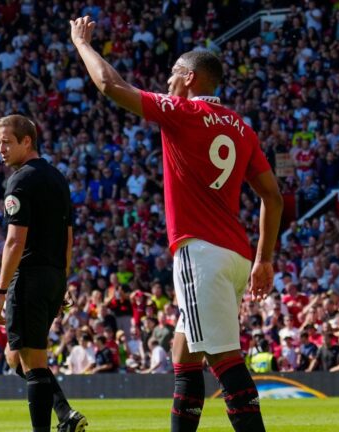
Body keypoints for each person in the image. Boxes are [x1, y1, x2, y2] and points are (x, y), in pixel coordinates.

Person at [71, 16, 283, 432]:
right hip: (236, 256)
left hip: (200, 253)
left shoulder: (182, 111)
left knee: (225, 361)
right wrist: (264, 259)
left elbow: (110, 85)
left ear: (189, 77)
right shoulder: (241, 128)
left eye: (172, 73)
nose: (167, 81)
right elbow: (272, 198)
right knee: (183, 353)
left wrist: (83, 45)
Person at [0, 114, 87, 432]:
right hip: (53, 276)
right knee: (16, 356)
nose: (1, 149)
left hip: (29, 279)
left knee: (32, 364)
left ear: (26, 141)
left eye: (7, 142)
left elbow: (14, 241)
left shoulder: (19, 181)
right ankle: (65, 414)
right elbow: (69, 238)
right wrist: (62, 281)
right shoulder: (58, 178)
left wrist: (0, 291)